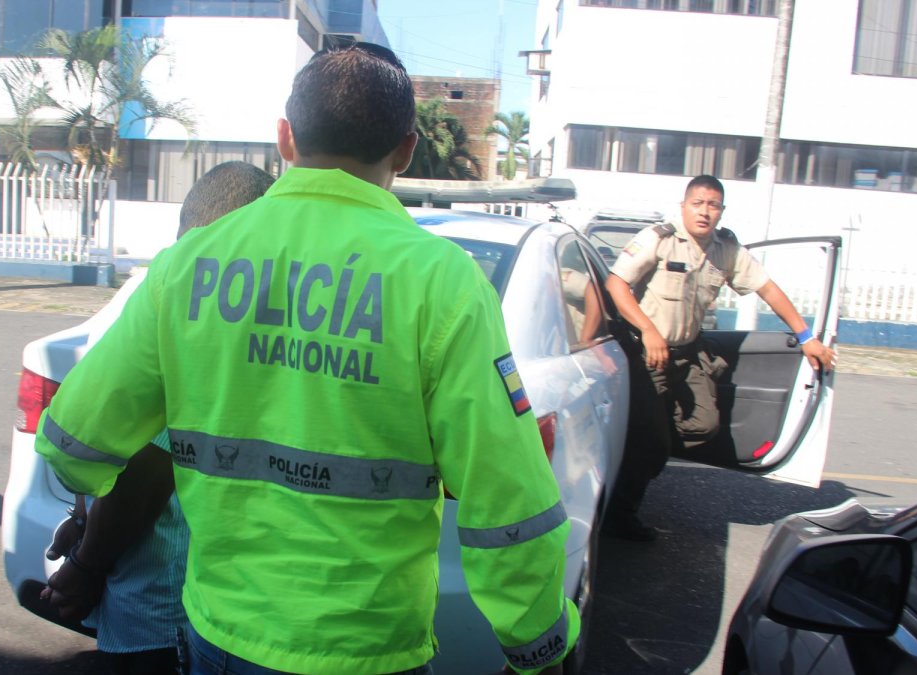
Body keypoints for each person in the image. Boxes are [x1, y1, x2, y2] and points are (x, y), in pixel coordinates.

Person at [35, 42, 576, 675]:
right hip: (369, 648)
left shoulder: (187, 266)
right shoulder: (443, 284)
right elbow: (505, 494)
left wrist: (82, 500)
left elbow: (74, 443)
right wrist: (535, 639)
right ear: (405, 149)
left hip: (223, 636)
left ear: (286, 138)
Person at [40, 161, 276, 675]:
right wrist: (86, 552)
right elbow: (144, 463)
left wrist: (85, 552)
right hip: (166, 608)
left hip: (161, 607)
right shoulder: (219, 300)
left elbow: (141, 460)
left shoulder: (160, 291)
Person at [603, 174, 836, 542]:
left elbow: (767, 288)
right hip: (647, 353)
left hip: (687, 352)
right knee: (651, 446)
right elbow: (616, 284)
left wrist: (806, 336)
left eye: (713, 205)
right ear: (684, 206)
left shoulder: (725, 249)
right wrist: (648, 330)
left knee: (705, 426)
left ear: (721, 211)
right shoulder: (660, 239)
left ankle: (646, 446)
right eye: (698, 203)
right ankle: (620, 514)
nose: (704, 212)